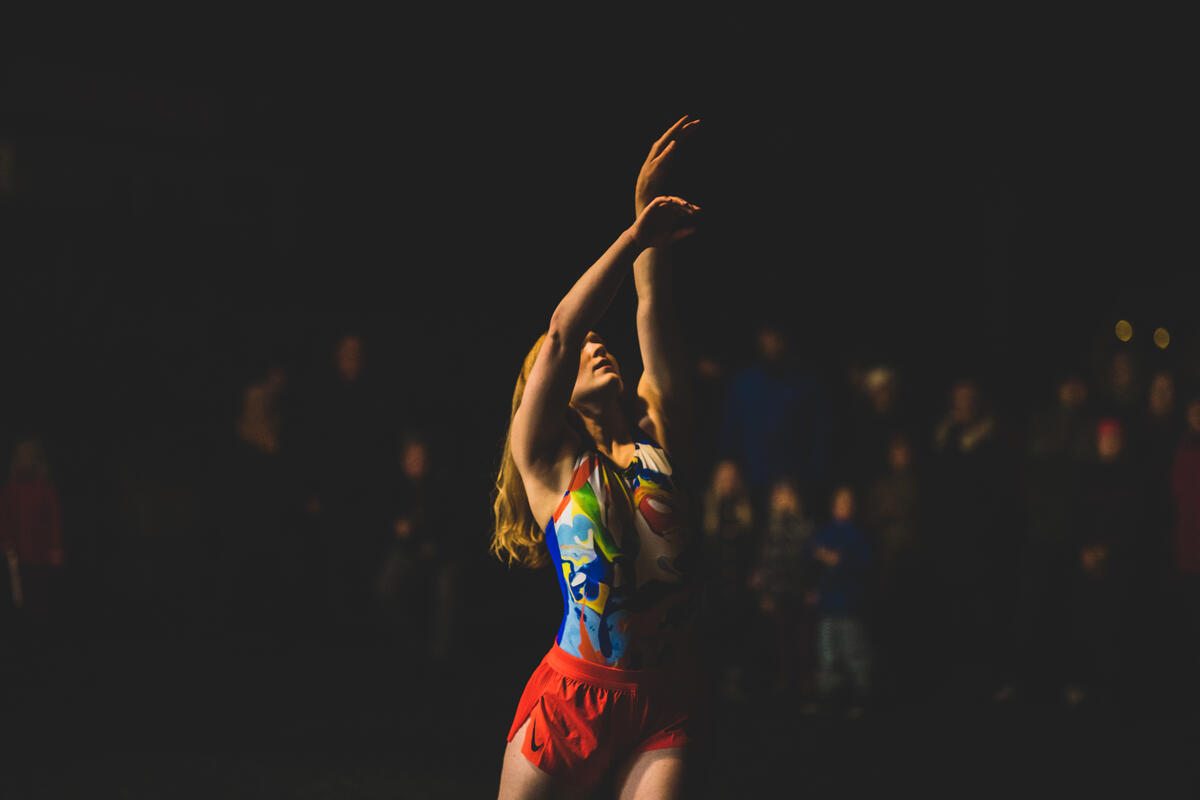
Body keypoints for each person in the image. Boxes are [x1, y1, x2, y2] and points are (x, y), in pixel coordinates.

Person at [493, 116, 702, 799]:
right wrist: (630, 237)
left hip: (659, 701)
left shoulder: (657, 432)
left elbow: (652, 303)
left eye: (600, 343)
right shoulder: (547, 462)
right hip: (571, 701)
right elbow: (562, 330)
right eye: (586, 352)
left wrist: (647, 218)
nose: (596, 345)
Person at [809, 485, 873, 718]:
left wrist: (839, 559)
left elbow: (863, 563)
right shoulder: (824, 532)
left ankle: (860, 697)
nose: (843, 507)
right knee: (827, 655)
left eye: (848, 502)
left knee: (854, 654)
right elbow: (814, 558)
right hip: (828, 607)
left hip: (849, 607)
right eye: (839, 502)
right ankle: (828, 699)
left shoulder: (857, 535)